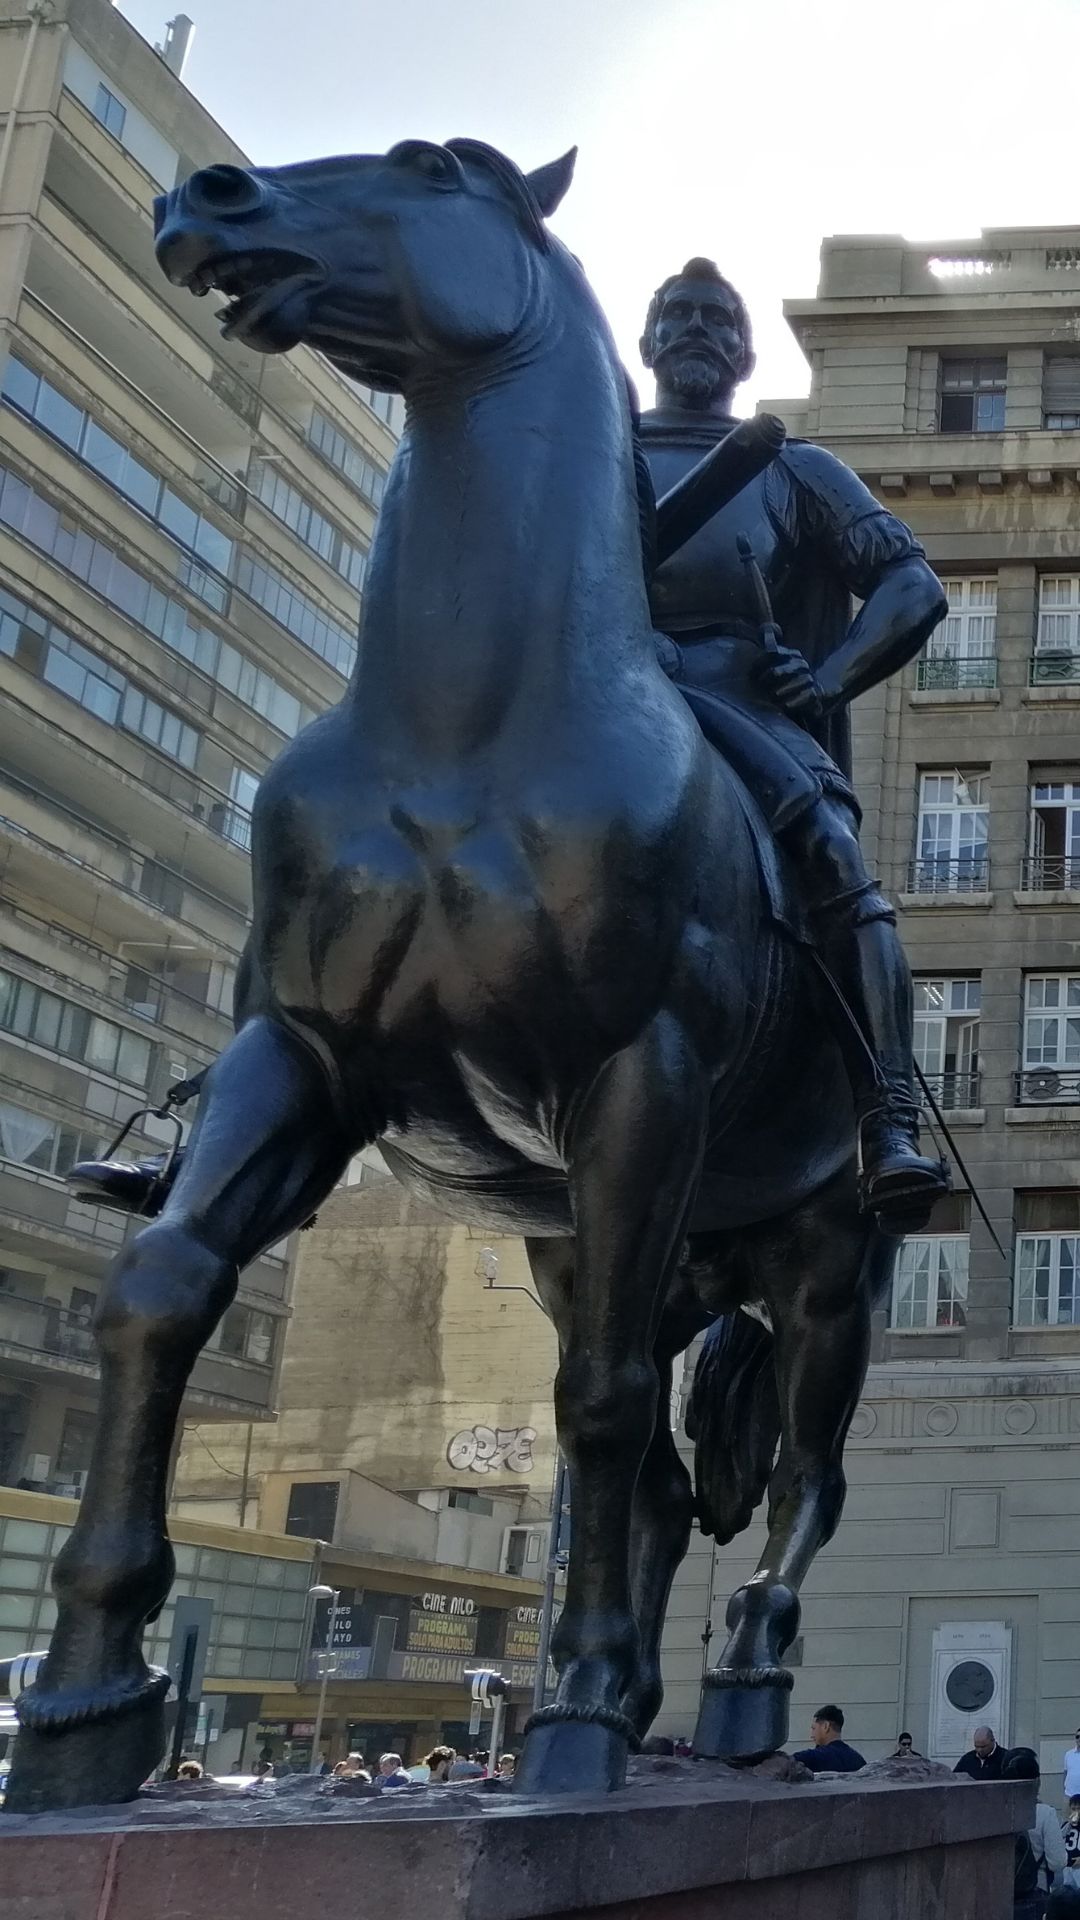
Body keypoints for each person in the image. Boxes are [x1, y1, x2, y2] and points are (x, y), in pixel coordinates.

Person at [637, 259, 950, 1231]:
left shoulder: (792, 468)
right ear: (646, 343)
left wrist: (827, 680)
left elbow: (911, 583)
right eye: (676, 315)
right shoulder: (578, 458)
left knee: (840, 872)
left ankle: (885, 1112)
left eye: (717, 318)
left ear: (744, 351)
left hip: (743, 708)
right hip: (594, 689)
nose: (696, 329)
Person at [1005, 1748, 1067, 1914]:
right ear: (1037, 1780)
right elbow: (1058, 1861)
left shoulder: (996, 1812)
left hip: (999, 1893)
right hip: (1034, 1892)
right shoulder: (1045, 1813)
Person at [790, 1705, 866, 1774]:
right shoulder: (859, 1760)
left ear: (826, 1726)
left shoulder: (812, 1757)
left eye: (814, 1728)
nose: (811, 1735)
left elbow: (785, 1763)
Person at [1064, 1734, 1080, 1809]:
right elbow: (1065, 1772)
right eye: (1077, 1737)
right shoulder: (1068, 1754)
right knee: (1069, 1819)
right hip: (1070, 1794)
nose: (1079, 1739)